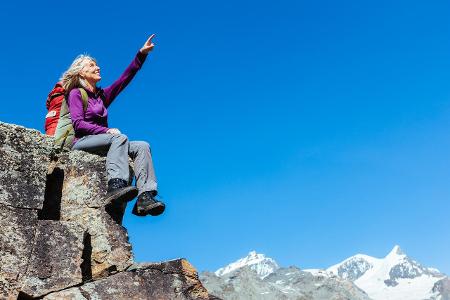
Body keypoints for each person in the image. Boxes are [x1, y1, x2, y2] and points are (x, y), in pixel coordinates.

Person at [60, 34, 165, 217]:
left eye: (96, 64)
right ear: (81, 73)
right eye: (91, 65)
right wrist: (107, 130)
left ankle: (145, 197)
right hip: (82, 142)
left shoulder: (101, 96)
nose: (97, 67)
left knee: (142, 146)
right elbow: (78, 125)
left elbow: (124, 79)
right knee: (120, 137)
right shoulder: (76, 93)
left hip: (105, 142)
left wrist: (141, 55)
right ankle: (115, 186)